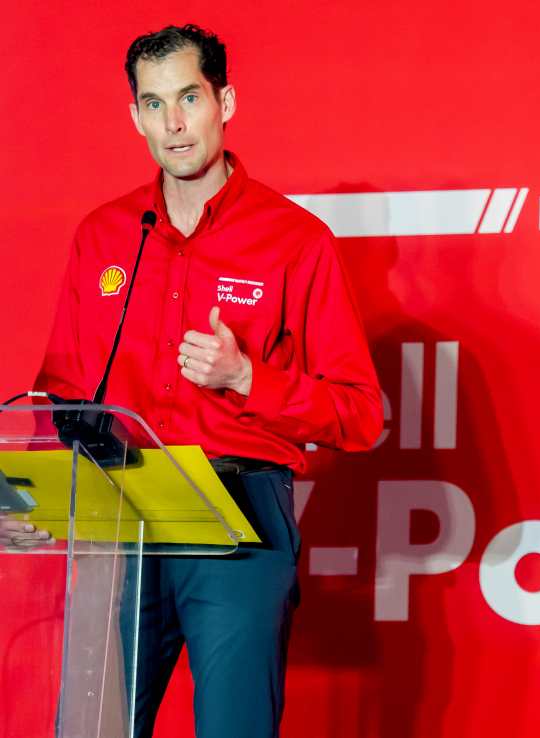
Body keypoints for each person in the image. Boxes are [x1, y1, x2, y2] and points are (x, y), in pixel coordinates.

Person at [33, 24, 383, 738]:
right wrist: (69, 426)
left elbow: (360, 415)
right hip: (121, 517)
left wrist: (247, 377)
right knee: (93, 726)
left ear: (225, 102)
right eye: (154, 103)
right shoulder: (105, 235)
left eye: (189, 98)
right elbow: (59, 387)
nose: (173, 122)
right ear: (135, 116)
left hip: (237, 517)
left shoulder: (295, 241)